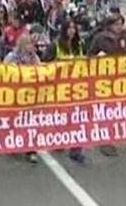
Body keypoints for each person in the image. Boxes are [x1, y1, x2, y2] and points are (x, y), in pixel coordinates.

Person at [42, 20, 87, 164]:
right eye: (69, 28)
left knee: (77, 119)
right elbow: (45, 63)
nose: (72, 31)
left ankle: (76, 150)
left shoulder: (79, 46)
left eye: (74, 28)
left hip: (77, 89)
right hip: (59, 89)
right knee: (62, 118)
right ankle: (60, 140)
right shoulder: (55, 46)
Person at [86, 14, 126, 157]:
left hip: (118, 79)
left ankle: (110, 138)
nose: (119, 27)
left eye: (121, 24)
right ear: (110, 25)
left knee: (114, 111)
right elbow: (89, 55)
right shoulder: (100, 38)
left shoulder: (124, 39)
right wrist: (97, 58)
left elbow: (125, 55)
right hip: (103, 79)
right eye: (117, 24)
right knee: (105, 110)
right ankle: (104, 140)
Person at [3, 33, 40, 164]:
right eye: (28, 44)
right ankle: (14, 144)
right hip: (15, 95)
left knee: (30, 123)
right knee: (15, 121)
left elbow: (41, 73)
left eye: (32, 44)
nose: (31, 47)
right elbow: (3, 72)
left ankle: (31, 149)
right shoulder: (11, 57)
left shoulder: (35, 58)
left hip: (30, 95)